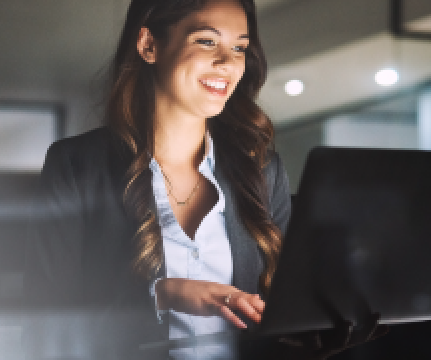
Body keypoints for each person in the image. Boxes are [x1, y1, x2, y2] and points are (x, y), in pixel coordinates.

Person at [34, 0, 386, 359]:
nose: (228, 62)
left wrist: (320, 337)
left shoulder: (261, 170)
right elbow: (44, 319)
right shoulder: (77, 165)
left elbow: (277, 327)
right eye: (206, 42)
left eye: (239, 48)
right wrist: (161, 295)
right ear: (149, 45)